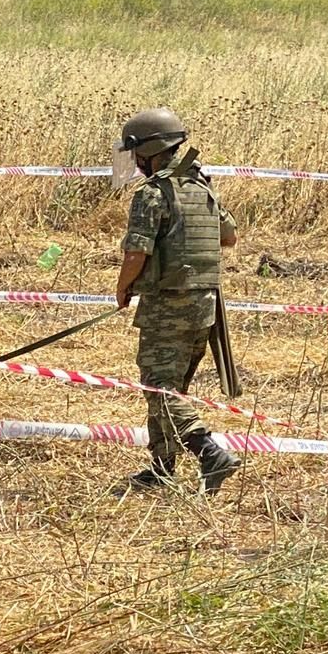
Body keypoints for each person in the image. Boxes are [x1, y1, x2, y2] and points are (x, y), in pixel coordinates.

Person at [113, 107, 242, 495]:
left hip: (166, 306)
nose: (134, 164)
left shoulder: (152, 194)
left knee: (159, 387)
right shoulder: (201, 187)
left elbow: (136, 252)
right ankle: (162, 466)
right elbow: (229, 236)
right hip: (204, 307)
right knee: (170, 387)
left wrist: (122, 288)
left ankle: (207, 451)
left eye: (135, 155)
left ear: (148, 151)